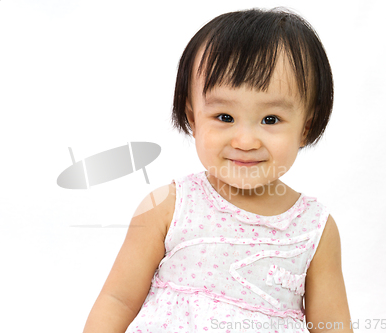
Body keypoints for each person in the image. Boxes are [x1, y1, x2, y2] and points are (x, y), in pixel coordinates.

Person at [83, 7, 353, 333]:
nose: (245, 140)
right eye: (224, 117)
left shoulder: (314, 229)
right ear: (193, 117)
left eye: (271, 120)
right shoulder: (169, 206)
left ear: (305, 128)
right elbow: (118, 300)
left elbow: (332, 326)